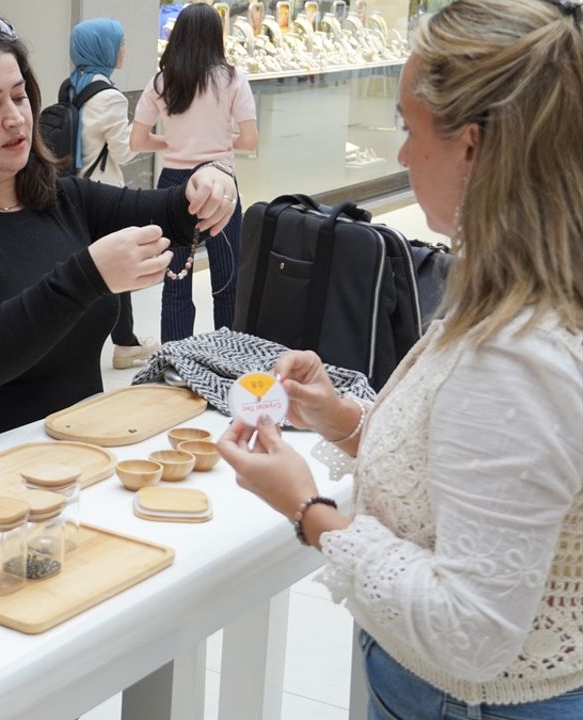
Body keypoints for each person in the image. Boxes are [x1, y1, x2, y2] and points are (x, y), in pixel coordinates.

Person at [217, 1, 582, 716]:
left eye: (410, 131)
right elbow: (474, 470)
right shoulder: (515, 291)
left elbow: (471, 630)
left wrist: (307, 508)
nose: (402, 156)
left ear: (472, 148)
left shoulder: (517, 356)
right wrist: (342, 419)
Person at [0, 15, 238, 435]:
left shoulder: (64, 199)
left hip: (86, 447)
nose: (15, 118)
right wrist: (88, 275)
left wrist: (211, 179)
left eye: (20, 97)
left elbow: (173, 213)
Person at [129, 2, 258, 344]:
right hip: (220, 182)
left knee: (174, 282)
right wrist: (218, 141)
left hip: (173, 184)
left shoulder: (162, 81)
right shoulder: (233, 79)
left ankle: (176, 363)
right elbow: (250, 140)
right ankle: (228, 358)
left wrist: (174, 142)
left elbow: (138, 141)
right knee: (227, 282)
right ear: (217, 36)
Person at [66, 18, 156, 370]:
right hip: (103, 195)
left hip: (73, 190)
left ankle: (77, 344)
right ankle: (125, 345)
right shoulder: (109, 97)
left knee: (82, 270)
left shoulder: (71, 86)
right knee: (121, 269)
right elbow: (125, 152)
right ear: (103, 48)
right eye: (119, 43)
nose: (124, 50)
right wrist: (146, 129)